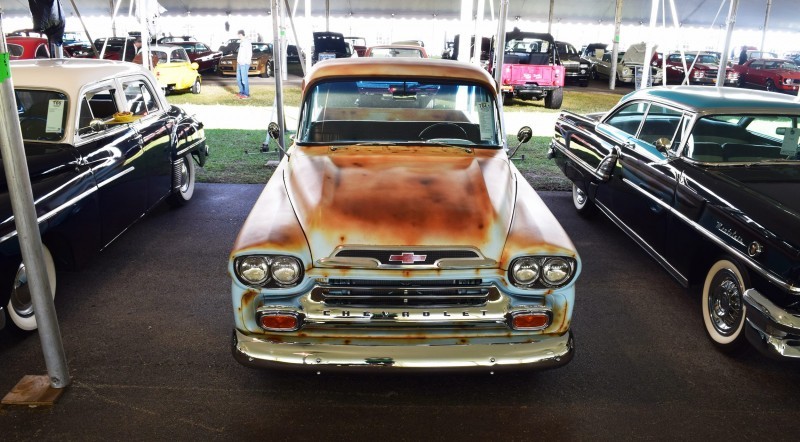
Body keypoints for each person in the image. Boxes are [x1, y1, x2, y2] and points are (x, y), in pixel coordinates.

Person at [236, 30, 253, 99]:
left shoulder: (247, 42)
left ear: (241, 34)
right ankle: (241, 92)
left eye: (238, 35)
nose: (238, 36)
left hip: (244, 64)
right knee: (238, 79)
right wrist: (238, 61)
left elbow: (249, 54)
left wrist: (245, 62)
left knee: (244, 79)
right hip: (239, 63)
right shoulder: (241, 42)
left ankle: (246, 93)